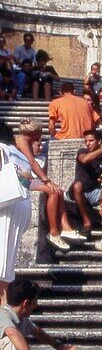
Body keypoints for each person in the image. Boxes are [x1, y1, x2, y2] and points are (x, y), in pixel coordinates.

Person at [14, 121, 85, 253]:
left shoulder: (27, 142)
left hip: (26, 177)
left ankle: (66, 227)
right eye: (40, 132)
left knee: (58, 190)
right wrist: (46, 180)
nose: (42, 135)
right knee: (52, 191)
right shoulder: (21, 139)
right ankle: (53, 232)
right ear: (34, 132)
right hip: (18, 179)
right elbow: (32, 161)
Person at [0, 124, 34, 296]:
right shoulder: (19, 154)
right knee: (7, 263)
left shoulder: (2, 149)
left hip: (5, 204)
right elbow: (29, 179)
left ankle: (4, 309)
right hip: (21, 203)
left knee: (1, 265)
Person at [69, 128, 102, 237]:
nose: (88, 144)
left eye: (91, 141)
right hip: (78, 191)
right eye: (86, 141)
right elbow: (84, 160)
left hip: (95, 191)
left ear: (99, 141)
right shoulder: (82, 152)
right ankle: (87, 222)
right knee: (77, 185)